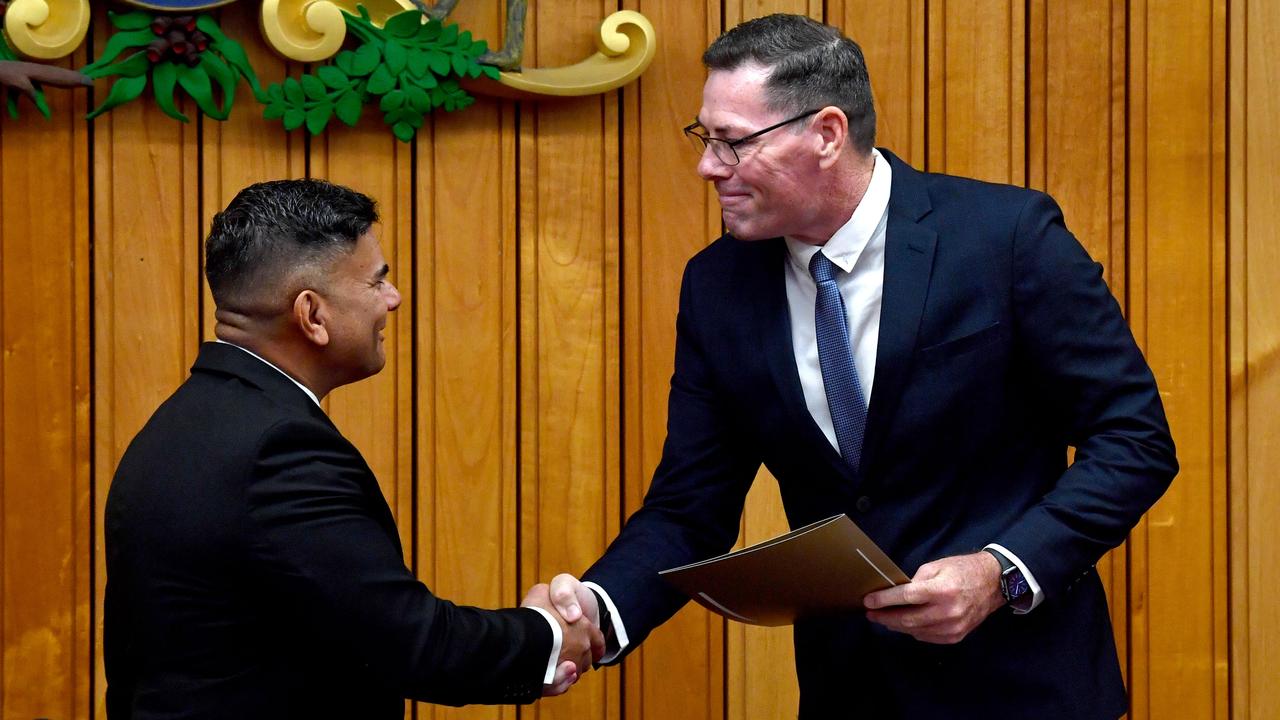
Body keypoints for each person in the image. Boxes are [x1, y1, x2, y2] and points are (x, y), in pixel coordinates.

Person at [547, 13, 1177, 719]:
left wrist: (1000, 571)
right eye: (705, 139)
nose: (707, 166)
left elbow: (1134, 440)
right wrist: (593, 613)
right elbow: (690, 506)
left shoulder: (1006, 240)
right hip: (849, 693)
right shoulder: (717, 286)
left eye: (732, 142)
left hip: (1025, 688)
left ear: (826, 133)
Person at [104, 179, 602, 718]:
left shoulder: (181, 424)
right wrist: (548, 636)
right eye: (375, 282)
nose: (394, 298)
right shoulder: (279, 451)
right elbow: (411, 643)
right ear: (312, 315)